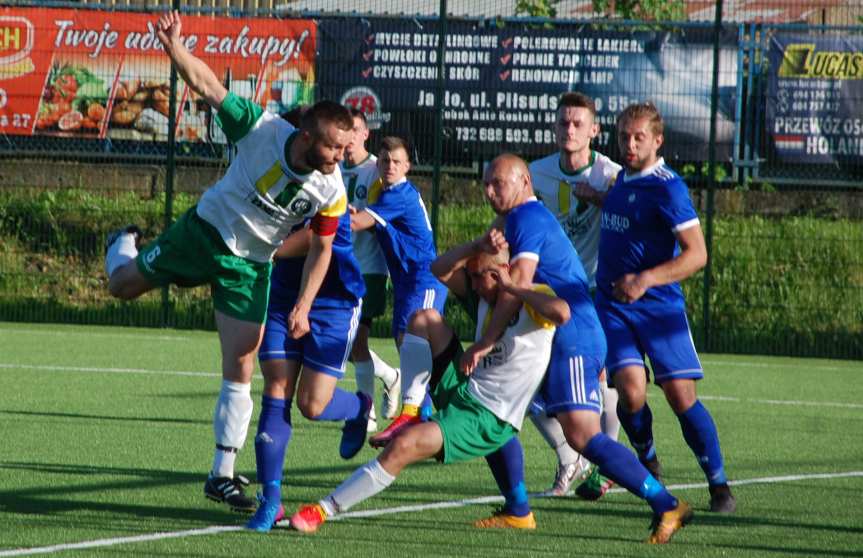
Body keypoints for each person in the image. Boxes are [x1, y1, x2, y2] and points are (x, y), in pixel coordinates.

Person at [103, 10, 351, 512]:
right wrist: (175, 50)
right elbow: (210, 85)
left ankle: (221, 474)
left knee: (241, 363)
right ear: (307, 136)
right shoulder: (259, 129)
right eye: (334, 147)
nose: (340, 157)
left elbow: (323, 248)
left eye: (346, 148)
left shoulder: (333, 189)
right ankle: (121, 244)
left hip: (249, 266)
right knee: (122, 287)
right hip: (203, 233)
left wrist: (303, 305)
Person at [466, 154, 691, 544]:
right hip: (562, 333)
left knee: (583, 435)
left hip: (572, 334)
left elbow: (514, 288)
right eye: (486, 183)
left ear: (523, 182)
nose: (489, 191)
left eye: (497, 183)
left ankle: (666, 503)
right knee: (497, 407)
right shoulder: (517, 220)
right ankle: (517, 509)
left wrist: (484, 343)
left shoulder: (526, 219)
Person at [287, 243, 568, 533]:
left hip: (487, 416)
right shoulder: (485, 297)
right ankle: (411, 410)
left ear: (501, 274)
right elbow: (439, 269)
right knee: (424, 319)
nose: (472, 284)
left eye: (477, 277)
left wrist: (515, 288)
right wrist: (477, 244)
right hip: (465, 386)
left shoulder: (534, 300)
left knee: (403, 447)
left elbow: (562, 313)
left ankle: (322, 510)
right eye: (469, 277)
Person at [596, 102, 736, 513]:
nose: (630, 143)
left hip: (658, 307)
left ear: (658, 140)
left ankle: (719, 483)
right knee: (631, 392)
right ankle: (648, 460)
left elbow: (697, 255)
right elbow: (626, 217)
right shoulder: (620, 179)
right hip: (614, 305)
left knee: (680, 396)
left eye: (639, 137)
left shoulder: (669, 187)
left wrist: (645, 279)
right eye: (624, 136)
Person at [246, 209, 370, 533]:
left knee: (312, 406)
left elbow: (316, 238)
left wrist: (260, 249)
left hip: (335, 300)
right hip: (283, 294)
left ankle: (360, 407)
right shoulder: (273, 176)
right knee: (276, 384)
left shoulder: (329, 187)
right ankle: (270, 499)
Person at [529, 92, 623, 498]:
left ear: (594, 130)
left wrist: (600, 197)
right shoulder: (535, 173)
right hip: (548, 291)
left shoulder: (611, 174)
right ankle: (570, 456)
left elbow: (632, 215)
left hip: (595, 292)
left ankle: (609, 462)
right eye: (564, 122)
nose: (570, 129)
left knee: (603, 380)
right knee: (528, 377)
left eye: (578, 123)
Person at [348, 136, 448, 445]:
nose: (389, 166)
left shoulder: (400, 194)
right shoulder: (386, 193)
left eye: (396, 162)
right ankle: (424, 416)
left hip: (424, 278)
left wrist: (327, 213)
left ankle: (430, 415)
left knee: (416, 345)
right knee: (408, 346)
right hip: (406, 282)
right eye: (384, 160)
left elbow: (356, 223)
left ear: (407, 166)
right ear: (377, 163)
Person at [341, 109, 401, 432]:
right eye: (344, 129)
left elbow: (377, 219)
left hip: (369, 269)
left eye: (355, 129)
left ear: (365, 134)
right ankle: (391, 376)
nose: (349, 136)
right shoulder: (333, 168)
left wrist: (355, 217)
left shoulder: (375, 173)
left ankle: (367, 412)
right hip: (337, 266)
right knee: (348, 344)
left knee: (357, 340)